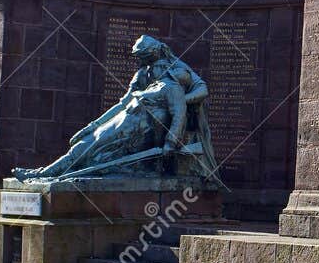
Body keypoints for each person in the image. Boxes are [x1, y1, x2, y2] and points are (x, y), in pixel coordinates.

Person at [11, 35, 222, 185]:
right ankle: (44, 174)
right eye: (147, 67)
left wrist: (170, 138)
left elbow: (182, 111)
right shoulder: (143, 76)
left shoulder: (173, 82)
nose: (148, 71)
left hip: (139, 129)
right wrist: (92, 125)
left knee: (91, 151)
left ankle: (50, 175)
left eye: (151, 65)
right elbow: (122, 104)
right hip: (123, 120)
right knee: (85, 143)